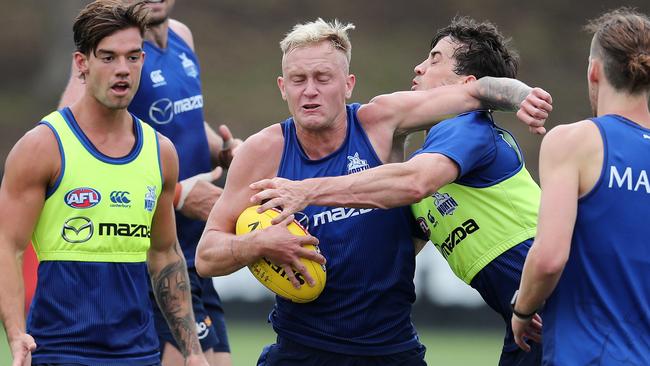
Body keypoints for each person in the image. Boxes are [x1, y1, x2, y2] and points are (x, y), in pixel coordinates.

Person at [195, 18, 550, 365]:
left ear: (348, 84)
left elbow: (474, 93)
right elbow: (207, 256)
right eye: (298, 79)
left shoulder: (381, 122)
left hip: (390, 350)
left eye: (323, 78)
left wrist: (522, 97)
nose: (310, 91)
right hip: (300, 349)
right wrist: (257, 243)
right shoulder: (262, 152)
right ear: (282, 87)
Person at [0, 1, 209, 365]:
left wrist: (192, 351)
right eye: (108, 58)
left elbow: (165, 255)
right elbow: (8, 247)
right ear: (82, 64)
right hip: (59, 353)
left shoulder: (160, 153)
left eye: (132, 57)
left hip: (139, 354)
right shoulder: (43, 146)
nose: (123, 70)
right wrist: (16, 335)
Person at [58, 1, 239, 364]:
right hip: (152, 257)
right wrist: (178, 194)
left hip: (195, 249)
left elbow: (183, 120)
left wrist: (224, 150)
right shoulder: (116, 49)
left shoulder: (182, 36)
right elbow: (70, 148)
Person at [510, 8, 650, 365]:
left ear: (594, 70)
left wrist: (522, 310)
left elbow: (550, 257)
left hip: (589, 355)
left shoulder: (574, 142)